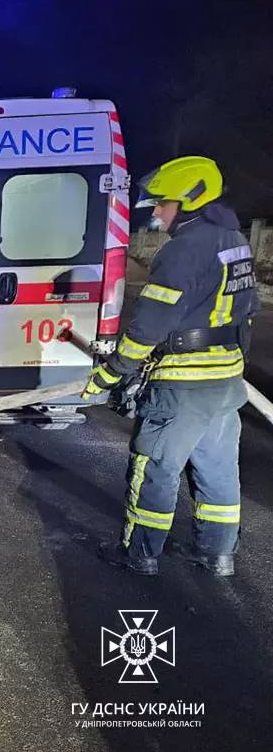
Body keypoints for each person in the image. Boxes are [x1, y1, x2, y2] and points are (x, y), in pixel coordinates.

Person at [83, 156, 258, 577]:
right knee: (217, 469)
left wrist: (111, 374)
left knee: (155, 465)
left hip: (183, 383)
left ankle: (140, 553)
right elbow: (246, 311)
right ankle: (217, 555)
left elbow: (148, 328)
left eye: (163, 204)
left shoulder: (183, 251)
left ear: (190, 202)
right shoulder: (234, 239)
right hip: (225, 379)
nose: (156, 211)